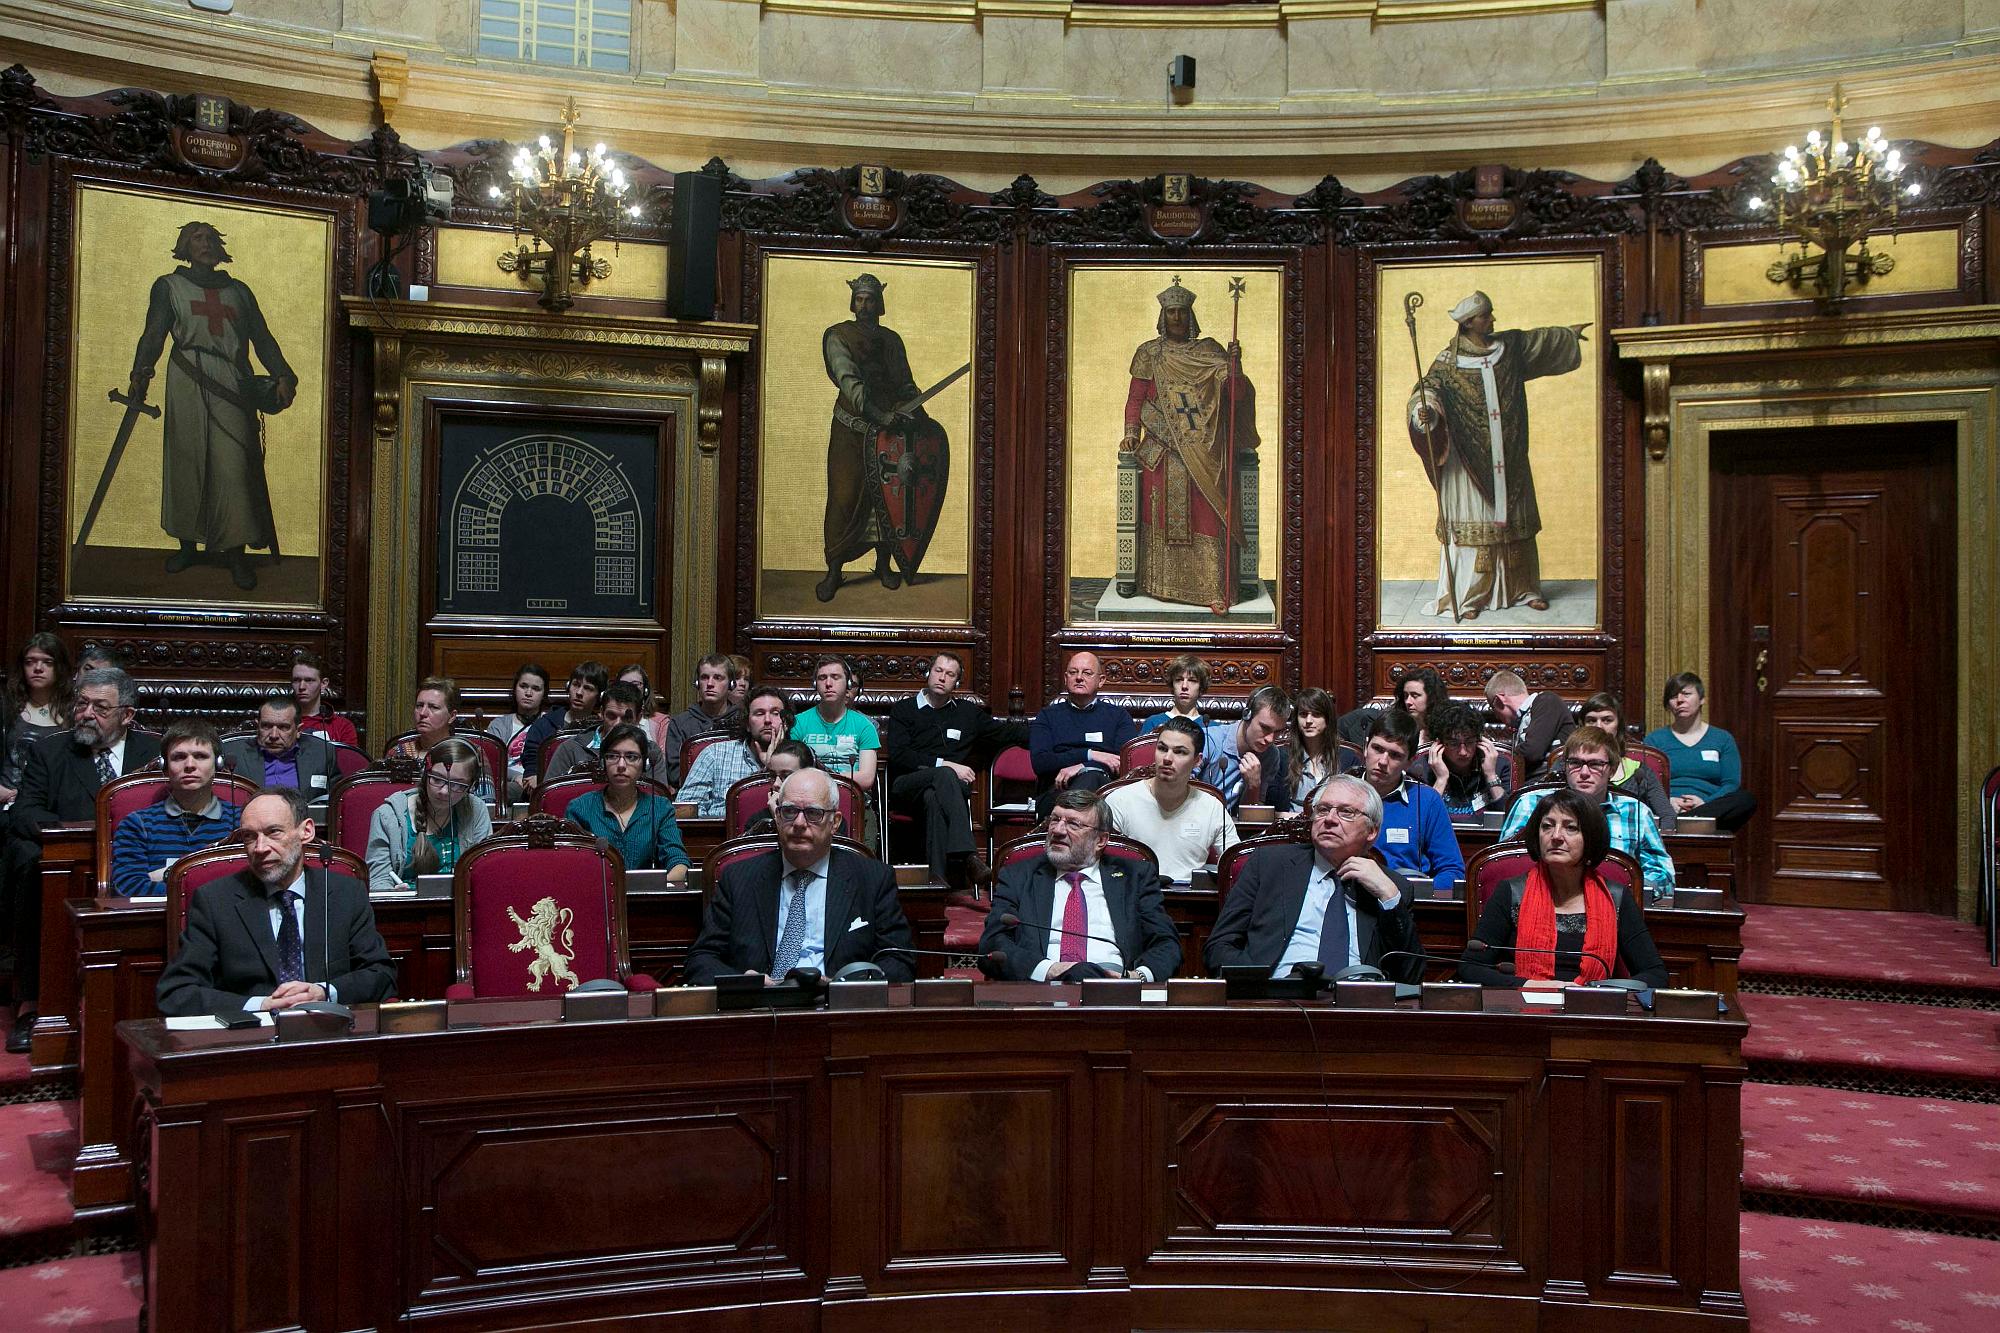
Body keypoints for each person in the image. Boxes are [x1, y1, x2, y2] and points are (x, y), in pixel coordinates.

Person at [125, 220, 297, 591]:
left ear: (220, 248)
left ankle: (235, 554)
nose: (204, 244)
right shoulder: (169, 287)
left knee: (232, 465)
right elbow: (154, 334)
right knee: (186, 461)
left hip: (232, 382)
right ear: (183, 247)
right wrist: (141, 371)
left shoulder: (239, 292)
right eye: (196, 238)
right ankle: (188, 545)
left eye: (210, 239)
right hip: (186, 379)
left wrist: (283, 374)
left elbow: (262, 339)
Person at [3, 667, 163, 1050]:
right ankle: (35, 1004)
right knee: (30, 867)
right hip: (70, 862)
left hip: (140, 860)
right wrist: (86, 835)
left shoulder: (155, 750)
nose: (86, 713)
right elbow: (25, 812)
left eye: (100, 707)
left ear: (127, 715)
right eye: (82, 703)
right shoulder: (51, 750)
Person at [1407, 290, 1588, 619]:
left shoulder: (1509, 350)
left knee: (1516, 524)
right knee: (1476, 526)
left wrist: (1568, 335)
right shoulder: (1448, 363)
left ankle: (1525, 588)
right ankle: (1470, 597)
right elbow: (1427, 389)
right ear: (1469, 322)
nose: (1492, 319)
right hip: (1467, 463)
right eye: (1486, 315)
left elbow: (1539, 343)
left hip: (1510, 453)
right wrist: (1425, 409)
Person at [156, 786, 395, 1016]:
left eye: (273, 832)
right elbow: (177, 993)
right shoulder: (215, 900)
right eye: (250, 837)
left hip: (329, 1031)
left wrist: (323, 992)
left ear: (306, 832)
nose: (260, 848)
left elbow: (381, 975)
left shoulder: (345, 893)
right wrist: (260, 1005)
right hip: (251, 1040)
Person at [682, 768, 915, 985]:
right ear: (777, 816)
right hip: (759, 1011)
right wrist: (745, 984)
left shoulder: (872, 879)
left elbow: (899, 960)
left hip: (838, 1014)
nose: (799, 823)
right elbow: (701, 960)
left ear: (834, 823)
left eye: (813, 813)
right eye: (790, 811)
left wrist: (842, 988)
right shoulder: (739, 878)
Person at [1119, 277, 1259, 609]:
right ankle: (1159, 584)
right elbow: (1136, 399)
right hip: (1161, 453)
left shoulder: (1209, 351)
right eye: (1171, 312)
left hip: (1204, 452)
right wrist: (1130, 433)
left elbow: (1235, 396)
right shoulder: (1149, 353)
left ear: (1190, 316)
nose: (1177, 318)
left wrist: (1234, 368)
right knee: (1161, 518)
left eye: (1182, 312)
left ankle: (1212, 590)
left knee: (1206, 516)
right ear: (1162, 316)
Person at [1203, 775, 1421, 984]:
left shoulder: (1393, 887)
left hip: (1357, 1007)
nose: (1330, 820)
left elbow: (1410, 976)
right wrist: (1260, 986)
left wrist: (1390, 898)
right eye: (1323, 810)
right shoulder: (1268, 864)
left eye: (1346, 812)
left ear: (1372, 831)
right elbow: (1219, 946)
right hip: (1276, 1002)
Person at [1457, 787, 1667, 989]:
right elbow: (1471, 967)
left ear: (1590, 837)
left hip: (1593, 1013)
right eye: (1547, 826)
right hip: (1525, 1011)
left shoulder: (1616, 897)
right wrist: (1530, 985)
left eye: (1570, 827)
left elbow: (1655, 974)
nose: (1556, 836)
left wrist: (1597, 991)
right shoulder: (1512, 892)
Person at [816, 272, 944, 603]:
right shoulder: (838, 336)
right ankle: (834, 570)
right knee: (844, 499)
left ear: (879, 303)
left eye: (870, 299)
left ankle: (884, 565)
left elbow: (904, 382)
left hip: (890, 434)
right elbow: (849, 382)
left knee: (887, 500)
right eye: (859, 299)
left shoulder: (892, 340)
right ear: (853, 302)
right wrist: (876, 412)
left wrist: (916, 411)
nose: (864, 305)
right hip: (852, 432)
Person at [979, 788, 1181, 982]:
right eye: (1055, 820)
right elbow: (993, 944)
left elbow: (1166, 943)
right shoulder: (1019, 876)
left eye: (1073, 824)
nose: (1058, 830)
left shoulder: (1135, 877)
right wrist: (1050, 969)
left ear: (1100, 840)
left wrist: (1136, 978)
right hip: (1040, 990)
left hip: (1116, 989)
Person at [887, 651, 1011, 890]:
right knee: (945, 775)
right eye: (938, 671)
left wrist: (1051, 732)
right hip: (905, 785)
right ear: (928, 673)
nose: (942, 678)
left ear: (957, 682)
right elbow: (900, 755)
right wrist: (946, 765)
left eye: (950, 674)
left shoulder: (966, 713)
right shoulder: (904, 709)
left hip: (942, 793)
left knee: (934, 798)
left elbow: (1006, 733)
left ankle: (937, 881)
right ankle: (968, 857)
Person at [1498, 726, 1675, 893]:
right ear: (1565, 766)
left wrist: (1620, 889)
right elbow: (1505, 865)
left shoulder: (1636, 812)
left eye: (1595, 764)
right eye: (1575, 763)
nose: (1583, 772)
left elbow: (1663, 876)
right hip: (1543, 897)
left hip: (1614, 906)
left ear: (1612, 770)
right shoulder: (1531, 803)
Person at [109, 719, 243, 897]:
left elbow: (249, 885)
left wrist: (166, 874)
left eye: (200, 756)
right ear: (165, 766)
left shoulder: (241, 821)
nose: (189, 765)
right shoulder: (137, 824)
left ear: (218, 764)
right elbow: (127, 887)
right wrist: (210, 891)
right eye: (179, 757)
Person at [1102, 718, 1239, 883]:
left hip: (1191, 901)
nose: (1167, 758)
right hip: (1134, 897)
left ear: (1197, 760)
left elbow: (1235, 863)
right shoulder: (1120, 800)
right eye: (1162, 748)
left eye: (1180, 752)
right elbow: (1102, 864)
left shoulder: (1211, 807)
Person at [1351, 710, 1464, 896]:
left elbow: (1452, 871)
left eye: (1395, 755)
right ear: (1365, 748)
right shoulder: (1339, 792)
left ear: (1409, 762)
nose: (1382, 761)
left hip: (1407, 902)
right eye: (1377, 749)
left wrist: (1412, 892)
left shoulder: (1427, 800)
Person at [364, 738, 494, 893]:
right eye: (437, 779)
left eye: (458, 785)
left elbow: (483, 871)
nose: (444, 791)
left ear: (472, 786)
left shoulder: (476, 809)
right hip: (407, 907)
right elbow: (377, 881)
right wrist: (392, 893)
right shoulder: (387, 815)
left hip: (460, 905)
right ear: (425, 774)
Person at [562, 724, 690, 878]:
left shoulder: (661, 808)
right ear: (603, 762)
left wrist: (653, 889)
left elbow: (678, 861)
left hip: (646, 897)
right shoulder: (579, 808)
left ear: (644, 765)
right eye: (612, 756)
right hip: (596, 896)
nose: (621, 765)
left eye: (631, 757)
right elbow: (572, 866)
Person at [1644, 672, 1757, 832]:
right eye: (1673, 696)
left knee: (1746, 799)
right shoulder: (1655, 740)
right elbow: (1648, 784)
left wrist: (1706, 802)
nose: (1680, 700)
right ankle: (1686, 822)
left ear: (1702, 699)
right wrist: (1668, 802)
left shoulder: (1722, 739)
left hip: (1711, 808)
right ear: (1668, 704)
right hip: (1667, 808)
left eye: (1687, 694)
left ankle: (1687, 822)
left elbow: (1731, 783)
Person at [1028, 651, 1135, 817]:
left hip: (1104, 793)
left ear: (1101, 681)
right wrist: (1090, 754)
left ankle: (1069, 825)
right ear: (1065, 679)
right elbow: (1040, 762)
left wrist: (1084, 767)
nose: (1079, 677)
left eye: (1087, 673)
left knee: (1091, 776)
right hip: (1057, 791)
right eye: (1073, 672)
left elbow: (1123, 763)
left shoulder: (1118, 716)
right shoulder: (1048, 716)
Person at [677, 687, 794, 820]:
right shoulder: (714, 754)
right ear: (748, 724)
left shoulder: (800, 758)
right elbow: (684, 811)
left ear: (786, 722)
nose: (767, 720)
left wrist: (772, 766)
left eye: (775, 713)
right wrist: (732, 814)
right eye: (759, 713)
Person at [1568, 692, 1675, 828]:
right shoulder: (1566, 763)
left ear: (1618, 725)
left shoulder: (1639, 771)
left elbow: (1668, 817)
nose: (1599, 726)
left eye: (1607, 720)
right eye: (1591, 720)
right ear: (1582, 725)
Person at [387, 676, 492, 802]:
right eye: (419, 705)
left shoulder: (472, 753)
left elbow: (487, 803)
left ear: (452, 716)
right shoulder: (398, 752)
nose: (423, 713)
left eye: (433, 707)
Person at [545, 682, 670, 787]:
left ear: (638, 718)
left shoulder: (651, 752)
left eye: (626, 718)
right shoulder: (570, 749)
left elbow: (658, 800)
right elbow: (549, 798)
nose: (617, 724)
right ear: (601, 713)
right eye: (611, 716)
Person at [1196, 685, 1294, 814]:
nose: (1270, 739)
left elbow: (1249, 816)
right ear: (1247, 715)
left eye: (1277, 732)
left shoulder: (1271, 755)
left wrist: (1253, 786)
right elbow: (1177, 791)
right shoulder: (1208, 740)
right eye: (1265, 728)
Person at [1, 633, 72, 810]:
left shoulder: (75, 710)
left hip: (51, 803)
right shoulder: (7, 704)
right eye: (30, 662)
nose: (38, 668)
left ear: (60, 667)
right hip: (5, 799)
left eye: (47, 662)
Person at [220, 695, 342, 796]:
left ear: (298, 730)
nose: (273, 735)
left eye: (283, 727)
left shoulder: (322, 752)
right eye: (266, 726)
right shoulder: (233, 753)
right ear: (258, 726)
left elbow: (337, 798)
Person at [790, 656, 879, 791]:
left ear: (848, 684)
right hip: (808, 795)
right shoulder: (798, 723)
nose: (828, 683)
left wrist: (822, 778)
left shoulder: (865, 726)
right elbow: (792, 773)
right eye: (822, 678)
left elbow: (866, 779)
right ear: (815, 684)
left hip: (850, 796)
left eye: (835, 677)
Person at [1410, 700, 1513, 817]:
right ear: (1439, 743)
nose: (1463, 752)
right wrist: (1441, 780)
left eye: (1469, 742)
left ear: (1480, 741)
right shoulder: (1421, 768)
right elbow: (1420, 820)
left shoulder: (1500, 765)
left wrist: (1491, 776)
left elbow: (1509, 818)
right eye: (1454, 743)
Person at [520, 661, 608, 792]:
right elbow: (531, 757)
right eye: (575, 685)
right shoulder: (544, 724)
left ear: (600, 696)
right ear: (568, 687)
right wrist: (533, 775)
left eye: (588, 688)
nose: (579, 692)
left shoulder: (602, 729)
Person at [663, 654, 742, 789]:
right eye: (704, 677)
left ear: (731, 684)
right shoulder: (680, 723)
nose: (710, 684)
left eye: (718, 678)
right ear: (697, 683)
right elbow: (675, 773)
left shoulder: (742, 721)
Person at [1483, 669, 1572, 781]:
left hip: (1550, 787)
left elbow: (1532, 752)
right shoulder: (1521, 721)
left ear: (1499, 700)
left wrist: (1495, 757)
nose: (1496, 716)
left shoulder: (1547, 701)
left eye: (1493, 708)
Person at [1337, 666, 1445, 750]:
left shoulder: (1444, 727)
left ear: (1432, 697)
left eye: (1415, 696)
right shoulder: (1392, 723)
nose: (1408, 701)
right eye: (1406, 696)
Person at [485, 663, 550, 802]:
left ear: (544, 694)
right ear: (515, 689)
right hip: (507, 782)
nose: (528, 693)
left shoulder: (550, 723)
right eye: (523, 686)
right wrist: (515, 776)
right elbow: (492, 763)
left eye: (536, 689)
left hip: (538, 782)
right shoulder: (500, 725)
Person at [1285, 687, 1350, 806]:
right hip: (1293, 823)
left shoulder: (1347, 758)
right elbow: (1274, 810)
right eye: (1303, 714)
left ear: (1327, 719)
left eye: (1316, 714)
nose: (1308, 721)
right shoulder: (1283, 757)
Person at [289, 652, 360, 749]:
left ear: (323, 684)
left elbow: (347, 762)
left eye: (309, 680)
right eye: (297, 680)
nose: (301, 687)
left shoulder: (343, 727)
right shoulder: (279, 723)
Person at [1139, 654, 1210, 733]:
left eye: (1192, 680)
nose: (1184, 686)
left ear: (1201, 687)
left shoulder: (1212, 727)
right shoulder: (1153, 722)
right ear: (1172, 684)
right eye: (1179, 680)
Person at [617, 662, 671, 755]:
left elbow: (663, 760)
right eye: (624, 684)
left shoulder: (662, 722)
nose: (630, 689)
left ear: (645, 690)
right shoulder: (612, 718)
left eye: (636, 684)